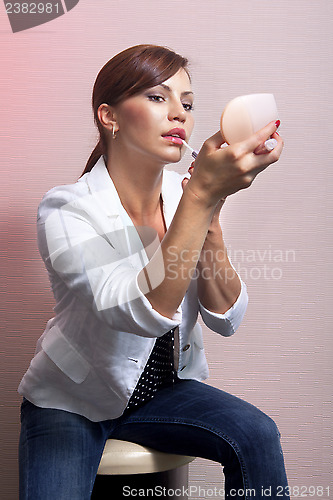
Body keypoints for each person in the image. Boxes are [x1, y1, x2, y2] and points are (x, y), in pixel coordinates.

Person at [18, 44, 289, 499]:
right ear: (110, 117)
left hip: (161, 389)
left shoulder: (183, 192)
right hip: (70, 401)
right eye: (158, 98)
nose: (179, 114)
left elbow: (226, 317)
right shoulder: (66, 209)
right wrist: (201, 196)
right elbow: (140, 311)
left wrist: (210, 216)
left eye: (187, 103)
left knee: (258, 434)